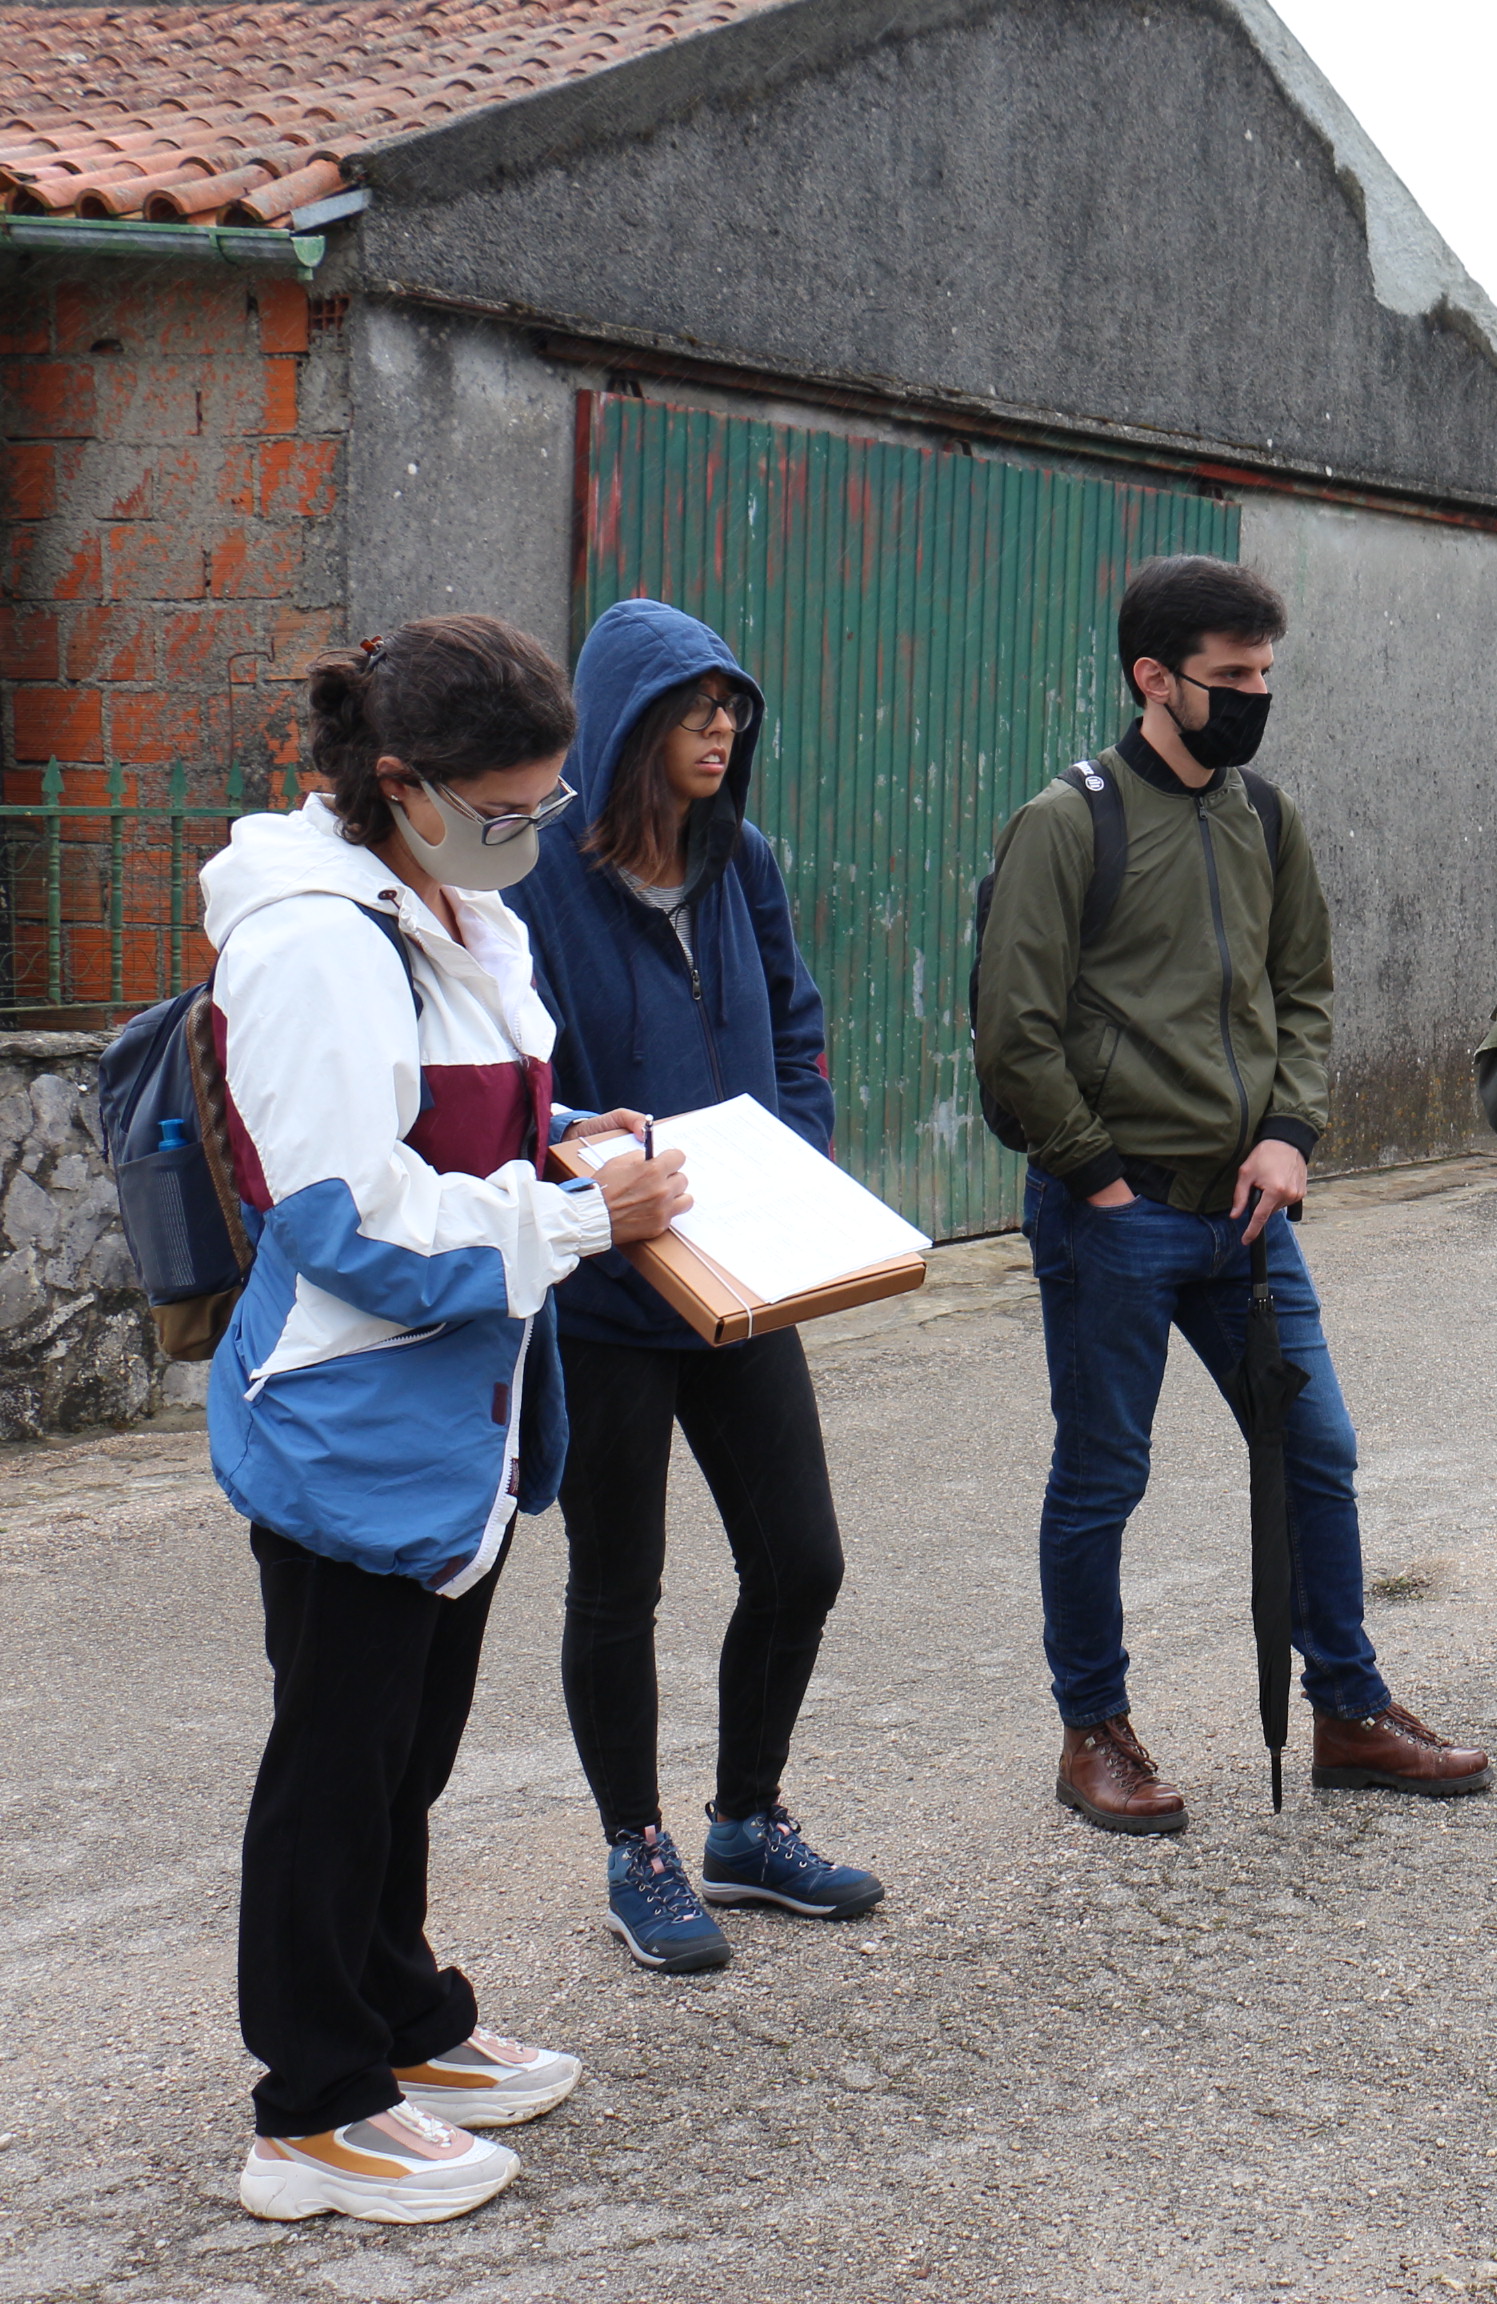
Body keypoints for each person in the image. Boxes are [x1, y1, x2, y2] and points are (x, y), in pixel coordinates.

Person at [204, 616, 689, 2220]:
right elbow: (342, 1213)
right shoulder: (312, 942)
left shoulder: (446, 903)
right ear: (401, 783)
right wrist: (579, 1218)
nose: (531, 835)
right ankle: (313, 2104)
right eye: (505, 808)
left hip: (460, 1413)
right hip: (356, 1411)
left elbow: (455, 1112)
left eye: (547, 802)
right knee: (334, 1763)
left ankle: (399, 2013)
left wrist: (569, 1133)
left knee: (405, 1749)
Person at [973, 555, 1488, 1829]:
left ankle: (1349, 1712)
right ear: (1155, 678)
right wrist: (1097, 1179)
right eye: (1232, 676)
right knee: (1104, 1475)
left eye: (1266, 672)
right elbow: (1015, 1030)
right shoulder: (1066, 823)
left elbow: (1303, 988)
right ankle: (1094, 1732)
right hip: (1120, 1215)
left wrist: (1292, 1133)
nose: (1256, 696)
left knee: (1317, 1453)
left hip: (1249, 1213)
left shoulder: (1265, 815)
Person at [510, 599, 881, 1977]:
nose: (721, 730)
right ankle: (639, 1849)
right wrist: (594, 1177)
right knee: (620, 1583)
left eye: (733, 709)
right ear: (628, 724)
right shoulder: (538, 880)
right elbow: (525, 1086)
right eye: (694, 709)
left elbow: (795, 1019)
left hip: (741, 1276)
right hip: (608, 1290)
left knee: (802, 1560)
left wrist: (799, 1153)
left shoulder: (742, 859)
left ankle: (744, 1822)